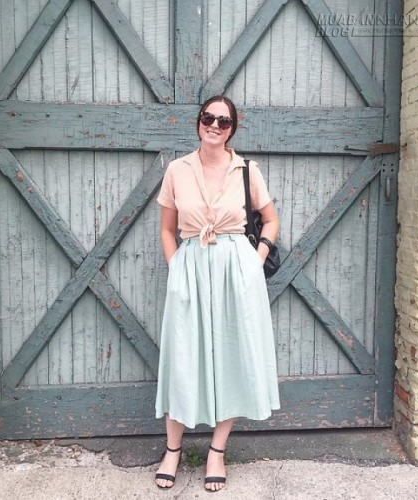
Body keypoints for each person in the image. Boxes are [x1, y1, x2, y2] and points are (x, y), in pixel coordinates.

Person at [154, 95, 280, 492]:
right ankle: (172, 450)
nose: (214, 125)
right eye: (208, 117)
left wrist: (255, 261)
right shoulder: (177, 170)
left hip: (236, 272)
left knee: (230, 359)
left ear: (232, 130)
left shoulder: (247, 170)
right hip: (191, 269)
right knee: (182, 357)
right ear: (198, 122)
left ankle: (217, 452)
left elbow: (271, 220)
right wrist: (176, 269)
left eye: (223, 121)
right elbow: (167, 229)